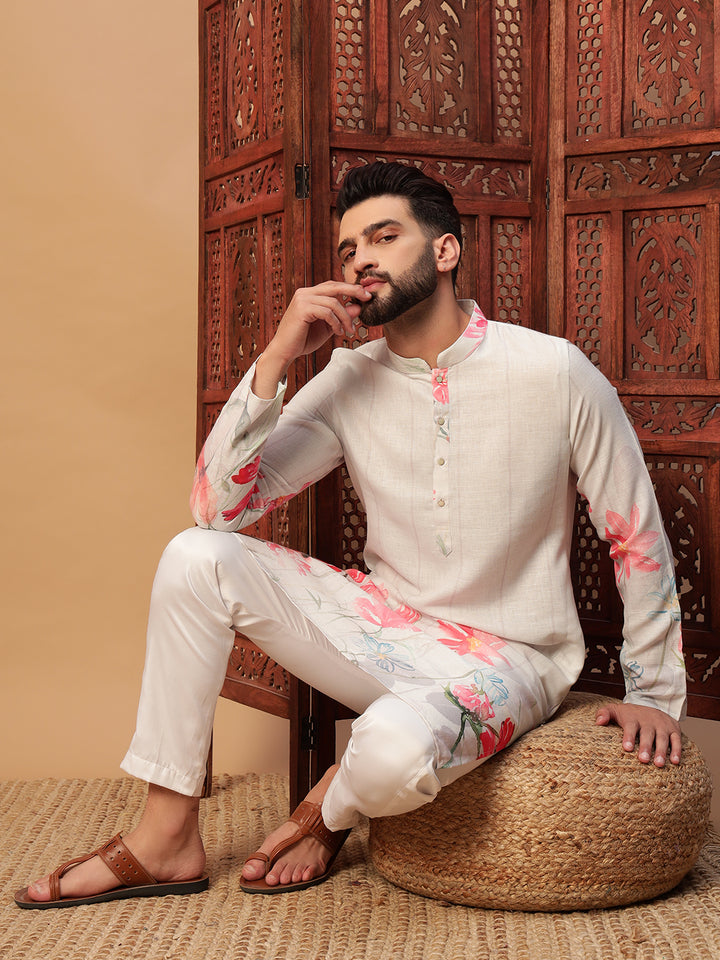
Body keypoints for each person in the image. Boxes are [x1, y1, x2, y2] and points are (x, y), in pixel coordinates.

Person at [15, 162, 686, 909]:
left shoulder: (554, 371)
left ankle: (332, 804)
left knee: (394, 750)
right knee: (193, 555)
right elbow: (215, 509)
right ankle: (166, 834)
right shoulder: (347, 377)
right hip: (385, 632)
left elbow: (637, 535)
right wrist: (277, 357)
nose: (360, 258)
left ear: (445, 251)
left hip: (514, 659)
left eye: (384, 235)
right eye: (347, 249)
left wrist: (656, 693)